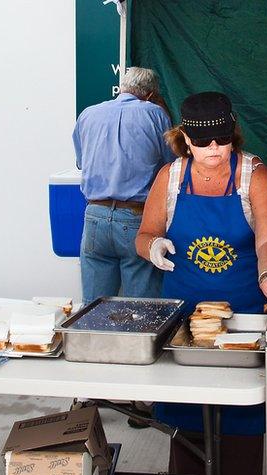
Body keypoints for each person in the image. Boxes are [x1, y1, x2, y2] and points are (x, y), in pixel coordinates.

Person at [136, 92, 267, 475]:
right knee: (184, 405)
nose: (214, 151)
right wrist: (153, 248)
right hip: (185, 317)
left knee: (241, 408)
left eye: (222, 141)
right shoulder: (171, 176)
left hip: (241, 313)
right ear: (185, 138)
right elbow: (145, 233)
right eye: (203, 143)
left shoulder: (253, 176)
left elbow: (266, 238)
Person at [73, 67, 175, 304]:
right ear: (151, 95)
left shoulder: (88, 114)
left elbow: (81, 162)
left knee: (93, 310)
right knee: (141, 311)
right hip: (136, 218)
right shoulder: (155, 114)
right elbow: (171, 165)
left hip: (94, 216)